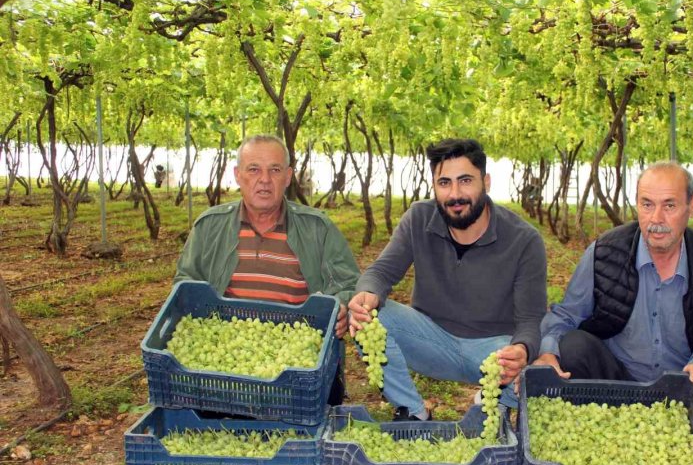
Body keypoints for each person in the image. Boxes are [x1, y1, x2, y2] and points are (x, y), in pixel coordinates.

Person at [533, 162, 693, 444]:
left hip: (683, 384)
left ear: (692, 205)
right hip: (618, 381)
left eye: (670, 206)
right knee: (572, 347)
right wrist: (547, 353)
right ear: (636, 204)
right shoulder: (605, 253)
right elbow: (566, 315)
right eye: (647, 204)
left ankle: (648, 426)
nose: (656, 218)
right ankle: (637, 424)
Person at [348, 138, 547, 421]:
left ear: (486, 182)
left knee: (536, 373)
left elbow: (531, 319)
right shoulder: (419, 218)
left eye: (465, 181)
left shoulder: (524, 239)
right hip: (431, 340)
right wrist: (367, 294)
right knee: (368, 318)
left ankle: (488, 402)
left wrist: (522, 349)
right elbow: (381, 273)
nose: (455, 194)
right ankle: (412, 412)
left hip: (493, 354)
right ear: (434, 186)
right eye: (444, 183)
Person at [174, 134, 360, 403]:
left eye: (274, 170)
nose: (264, 179)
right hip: (226, 363)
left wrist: (341, 306)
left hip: (298, 363)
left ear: (287, 177)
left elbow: (348, 284)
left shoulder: (317, 228)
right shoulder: (209, 227)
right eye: (254, 169)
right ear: (238, 175)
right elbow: (185, 285)